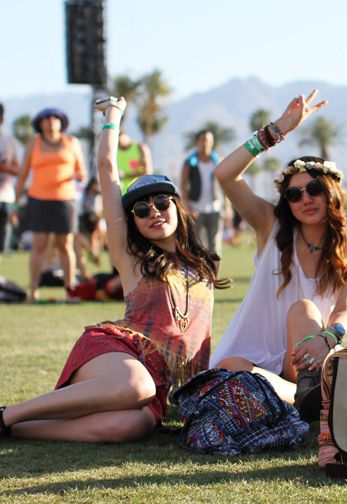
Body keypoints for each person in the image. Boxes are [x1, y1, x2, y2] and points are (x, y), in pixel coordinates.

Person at [0, 96, 226, 442]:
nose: (154, 212)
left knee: (128, 427)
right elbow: (107, 171)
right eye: (141, 209)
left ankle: (15, 428)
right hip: (117, 353)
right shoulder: (131, 256)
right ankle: (8, 414)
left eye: (162, 202)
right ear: (132, 221)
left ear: (178, 208)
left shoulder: (207, 264)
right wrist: (113, 117)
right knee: (136, 384)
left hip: (156, 383)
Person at [210, 90, 347, 421]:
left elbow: (344, 313)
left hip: (309, 357)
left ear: (332, 195)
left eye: (315, 190)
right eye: (294, 194)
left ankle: (308, 392)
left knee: (304, 309)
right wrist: (277, 130)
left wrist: (328, 338)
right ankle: (304, 401)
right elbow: (225, 174)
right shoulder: (271, 228)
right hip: (255, 363)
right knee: (231, 369)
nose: (305, 199)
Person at [14, 107, 87, 302]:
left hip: (65, 199)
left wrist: (79, 177)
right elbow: (22, 174)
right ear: (40, 123)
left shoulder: (71, 142)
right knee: (39, 244)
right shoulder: (33, 144)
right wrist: (15, 199)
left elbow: (82, 172)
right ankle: (34, 291)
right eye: (47, 118)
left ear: (61, 122)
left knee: (65, 245)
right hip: (38, 198)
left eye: (55, 117)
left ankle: (70, 290)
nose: (51, 121)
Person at [180, 129, 223, 256]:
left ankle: (215, 275)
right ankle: (200, 274)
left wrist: (228, 207)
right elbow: (183, 184)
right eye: (203, 140)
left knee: (215, 245)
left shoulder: (217, 161)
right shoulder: (190, 162)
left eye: (209, 140)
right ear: (197, 142)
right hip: (196, 209)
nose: (206, 143)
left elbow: (225, 184)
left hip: (215, 208)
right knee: (197, 245)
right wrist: (187, 206)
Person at [0, 102, 20, 253]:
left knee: (3, 240)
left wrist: (6, 168)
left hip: (5, 196)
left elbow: (18, 170)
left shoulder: (9, 142)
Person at [116, 121, 152, 194]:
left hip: (140, 192)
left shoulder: (140, 148)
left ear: (123, 135)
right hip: (122, 195)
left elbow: (148, 172)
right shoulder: (114, 151)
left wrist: (125, 175)